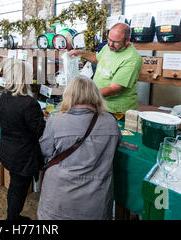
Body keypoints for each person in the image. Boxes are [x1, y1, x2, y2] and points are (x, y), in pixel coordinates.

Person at [37, 76, 121, 220]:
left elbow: (45, 150)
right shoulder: (110, 122)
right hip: (96, 201)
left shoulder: (55, 121)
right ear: (95, 95)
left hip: (59, 199)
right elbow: (115, 145)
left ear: (69, 95)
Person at [0, 60, 46, 221]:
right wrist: (41, 118)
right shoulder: (29, 103)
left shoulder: (4, 96)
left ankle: (12, 214)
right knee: (18, 188)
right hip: (23, 156)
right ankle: (12, 217)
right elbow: (40, 131)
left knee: (15, 186)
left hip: (8, 150)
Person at [69, 23, 142, 117]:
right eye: (109, 39)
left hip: (116, 111)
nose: (110, 44)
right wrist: (80, 53)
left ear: (127, 41)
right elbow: (97, 59)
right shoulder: (108, 47)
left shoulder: (132, 59)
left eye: (116, 42)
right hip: (100, 103)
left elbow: (114, 89)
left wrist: (86, 95)